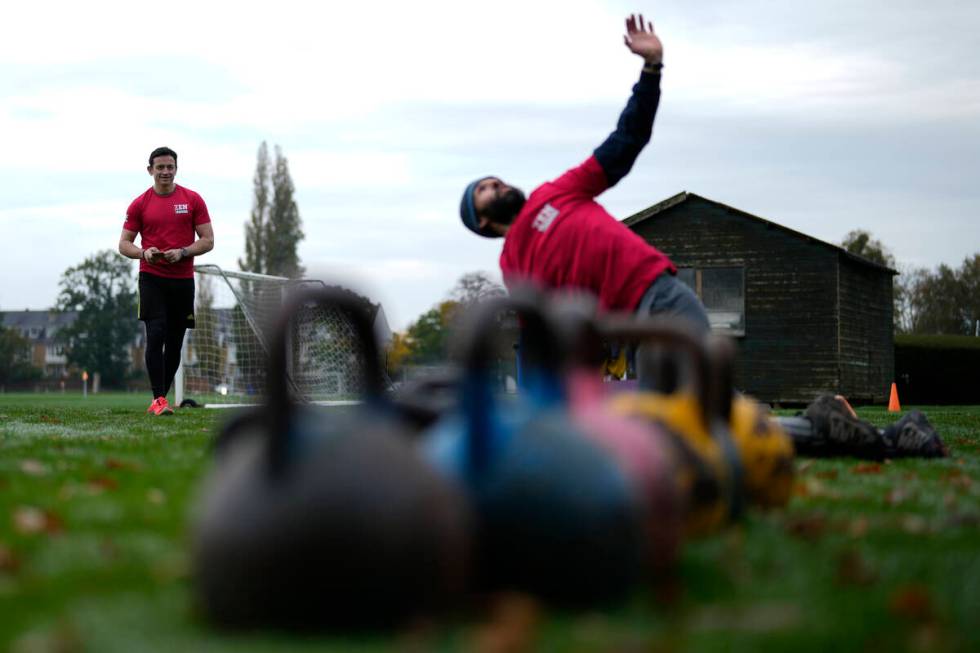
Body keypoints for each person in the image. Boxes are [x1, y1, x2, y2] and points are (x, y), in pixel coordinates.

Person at [458, 14, 709, 335]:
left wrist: (651, 69)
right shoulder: (513, 266)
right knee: (669, 388)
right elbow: (542, 333)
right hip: (623, 334)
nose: (495, 183)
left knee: (704, 382)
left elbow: (626, 141)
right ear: (481, 221)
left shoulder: (552, 194)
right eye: (483, 190)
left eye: (494, 179)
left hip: (656, 296)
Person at [118, 147, 214, 415]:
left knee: (174, 342)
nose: (165, 172)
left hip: (182, 280)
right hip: (152, 278)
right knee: (156, 333)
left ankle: (161, 398)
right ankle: (159, 399)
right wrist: (143, 253)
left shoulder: (193, 199)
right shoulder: (140, 204)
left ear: (176, 169)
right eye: (159, 167)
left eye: (169, 167)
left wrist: (182, 252)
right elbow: (124, 244)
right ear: (150, 170)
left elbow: (208, 240)